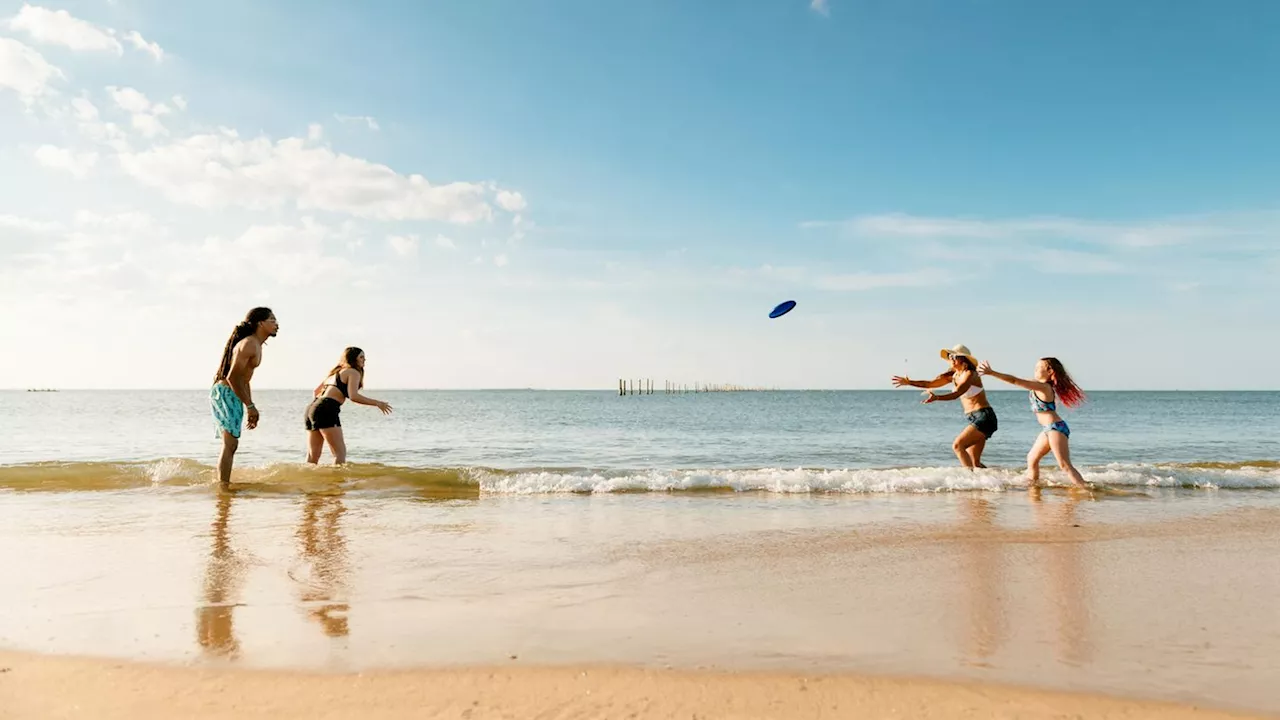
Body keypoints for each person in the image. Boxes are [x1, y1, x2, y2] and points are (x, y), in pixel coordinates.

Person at [978, 357, 1089, 489]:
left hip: (1055, 428)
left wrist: (992, 373)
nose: (1035, 370)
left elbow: (1014, 381)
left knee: (1064, 465)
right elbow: (1017, 379)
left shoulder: (1043, 387)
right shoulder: (1037, 384)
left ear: (1050, 371)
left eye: (1038, 368)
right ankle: (1033, 486)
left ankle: (1085, 490)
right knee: (1032, 458)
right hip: (1048, 429)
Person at [891, 344, 997, 469]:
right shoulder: (954, 375)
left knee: (958, 446)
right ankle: (997, 482)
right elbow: (930, 383)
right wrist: (909, 382)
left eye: (953, 356)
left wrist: (937, 398)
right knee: (975, 463)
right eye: (949, 356)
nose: (950, 359)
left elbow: (957, 394)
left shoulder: (970, 374)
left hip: (984, 417)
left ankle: (969, 480)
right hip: (974, 417)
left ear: (963, 359)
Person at [210, 307, 279, 486]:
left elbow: (244, 380)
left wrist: (250, 405)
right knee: (230, 444)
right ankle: (223, 488)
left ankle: (224, 484)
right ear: (260, 323)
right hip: (226, 392)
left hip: (233, 392)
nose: (276, 324)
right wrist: (249, 405)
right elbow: (232, 377)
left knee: (232, 444)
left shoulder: (256, 344)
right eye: (272, 320)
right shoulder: (249, 344)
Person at [304, 347, 392, 465]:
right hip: (326, 408)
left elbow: (316, 392)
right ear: (353, 358)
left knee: (312, 455)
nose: (364, 360)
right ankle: (337, 483)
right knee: (340, 454)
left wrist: (319, 409)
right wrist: (377, 403)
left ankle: (308, 482)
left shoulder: (335, 373)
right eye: (361, 357)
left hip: (312, 408)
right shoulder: (353, 372)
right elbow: (353, 396)